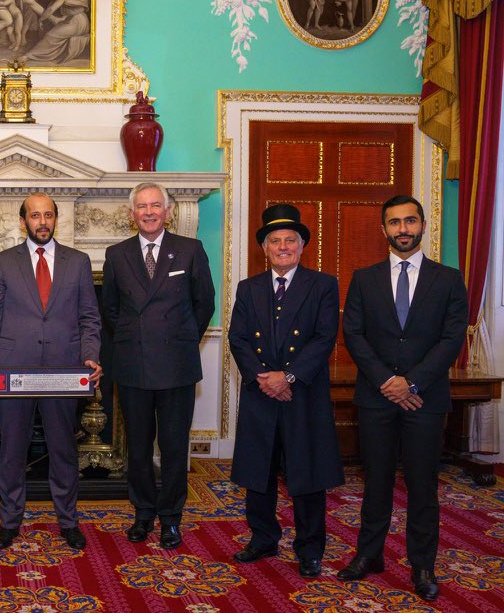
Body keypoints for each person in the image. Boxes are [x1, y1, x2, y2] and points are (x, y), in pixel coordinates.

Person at [338, 195, 467, 602]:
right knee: (374, 480)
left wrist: (411, 383)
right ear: (384, 230)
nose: (403, 229)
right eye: (394, 223)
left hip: (425, 400)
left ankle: (422, 564)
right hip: (376, 398)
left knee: (422, 484)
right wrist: (387, 382)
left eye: (410, 221)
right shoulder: (364, 278)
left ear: (423, 225)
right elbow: (353, 335)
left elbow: (451, 339)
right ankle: (369, 555)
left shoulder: (448, 279)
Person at [0, 192, 101, 550]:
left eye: (48, 215)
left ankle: (68, 521)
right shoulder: (3, 262)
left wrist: (90, 356)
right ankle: (9, 521)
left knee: (63, 450)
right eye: (35, 215)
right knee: (12, 450)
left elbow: (90, 317)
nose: (42, 221)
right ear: (23, 221)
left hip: (64, 372)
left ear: (55, 219)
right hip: (12, 371)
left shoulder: (78, 262)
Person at [228, 204, 343, 578]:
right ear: (264, 248)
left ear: (301, 245)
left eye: (290, 240)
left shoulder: (323, 285)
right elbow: (238, 338)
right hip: (262, 394)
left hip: (302, 395)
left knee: (307, 475)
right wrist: (264, 378)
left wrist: (288, 377)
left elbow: (324, 338)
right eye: (275, 241)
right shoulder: (248, 289)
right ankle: (262, 538)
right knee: (257, 472)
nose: (282, 247)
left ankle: (310, 549)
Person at [102, 182, 214, 550]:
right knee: (136, 447)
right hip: (133, 366)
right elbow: (112, 310)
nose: (149, 212)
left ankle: (171, 519)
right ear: (131, 213)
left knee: (174, 446)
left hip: (176, 366)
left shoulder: (190, 250)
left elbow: (204, 303)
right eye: (141, 207)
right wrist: (136, 339)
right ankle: (143, 513)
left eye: (155, 206)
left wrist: (181, 339)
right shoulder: (117, 254)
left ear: (168, 212)